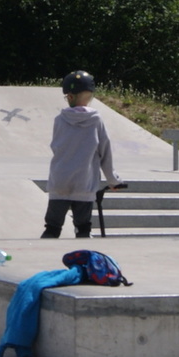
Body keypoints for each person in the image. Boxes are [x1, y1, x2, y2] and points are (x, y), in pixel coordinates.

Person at [42, 70, 123, 238]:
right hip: (84, 183)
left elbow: (56, 147)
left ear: (70, 97)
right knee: (83, 228)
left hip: (60, 182)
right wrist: (112, 180)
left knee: (52, 228)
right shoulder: (96, 120)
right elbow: (104, 152)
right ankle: (83, 258)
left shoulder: (60, 119)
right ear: (90, 96)